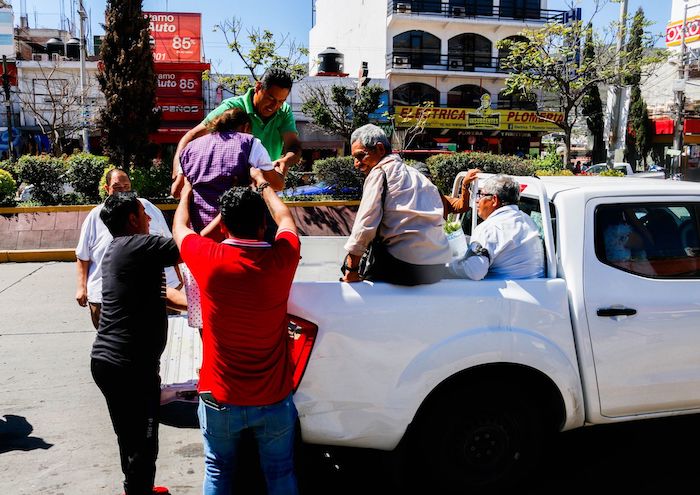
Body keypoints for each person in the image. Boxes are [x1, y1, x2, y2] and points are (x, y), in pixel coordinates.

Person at [172, 170, 301, 495]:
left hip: (219, 395)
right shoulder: (282, 258)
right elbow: (285, 216)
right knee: (280, 473)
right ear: (263, 225)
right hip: (272, 397)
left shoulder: (208, 257)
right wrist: (263, 184)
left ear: (225, 226)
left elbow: (180, 228)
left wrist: (187, 190)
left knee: (218, 471)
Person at [91, 192, 180, 495]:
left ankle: (136, 489)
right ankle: (139, 490)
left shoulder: (119, 249)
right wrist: (189, 204)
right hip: (130, 365)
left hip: (110, 362)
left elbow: (161, 296)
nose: (150, 218)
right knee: (144, 440)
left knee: (128, 435)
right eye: (144, 213)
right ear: (132, 219)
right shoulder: (140, 244)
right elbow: (189, 248)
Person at [340, 124, 451, 285]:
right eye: (354, 158)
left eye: (360, 156)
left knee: (351, 266)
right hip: (436, 268)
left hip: (404, 268)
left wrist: (351, 271)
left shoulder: (380, 172)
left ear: (380, 149)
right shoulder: (418, 175)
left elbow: (365, 226)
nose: (357, 164)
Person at [75, 168, 184, 329]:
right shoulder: (98, 218)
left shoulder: (146, 207)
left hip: (156, 294)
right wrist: (81, 287)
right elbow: (82, 254)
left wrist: (177, 278)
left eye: (127, 187)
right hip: (108, 298)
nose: (148, 219)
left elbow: (169, 242)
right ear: (133, 221)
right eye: (118, 188)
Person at [171, 68, 301, 198]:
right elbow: (191, 136)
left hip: (263, 193)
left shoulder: (284, 111)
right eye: (270, 98)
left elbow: (293, 146)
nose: (274, 106)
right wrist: (179, 173)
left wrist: (285, 161)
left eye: (281, 101)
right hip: (227, 193)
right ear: (258, 87)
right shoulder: (232, 108)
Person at [173, 107, 285, 234]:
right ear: (246, 127)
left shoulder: (190, 148)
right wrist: (277, 170)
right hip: (235, 232)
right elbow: (277, 184)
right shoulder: (250, 143)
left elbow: (176, 191)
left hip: (197, 234)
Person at [447, 174, 544, 280]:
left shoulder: (489, 228)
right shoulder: (529, 221)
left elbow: (474, 271)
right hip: (539, 290)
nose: (477, 200)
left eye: (481, 195)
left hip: (504, 294)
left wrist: (447, 266)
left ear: (494, 200)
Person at [412, 162, 480, 219]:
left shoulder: (438, 196)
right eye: (421, 179)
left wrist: (465, 184)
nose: (425, 182)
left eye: (427, 178)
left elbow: (462, 206)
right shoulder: (408, 201)